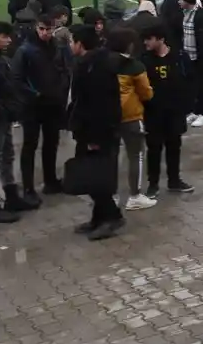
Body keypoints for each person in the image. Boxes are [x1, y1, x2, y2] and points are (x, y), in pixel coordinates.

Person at [67, 24, 126, 239]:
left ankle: (111, 217)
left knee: (97, 175)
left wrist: (94, 137)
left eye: (72, 41)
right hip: (88, 130)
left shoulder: (97, 67)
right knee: (91, 175)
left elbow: (99, 105)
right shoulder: (87, 64)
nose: (70, 45)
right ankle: (99, 217)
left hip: (98, 132)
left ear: (80, 44)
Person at [11, 13, 72, 202]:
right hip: (32, 106)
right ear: (36, 28)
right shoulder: (25, 50)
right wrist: (35, 94)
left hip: (53, 103)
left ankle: (50, 180)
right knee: (30, 144)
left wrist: (61, 90)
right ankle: (28, 188)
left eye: (49, 29)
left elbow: (65, 70)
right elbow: (17, 79)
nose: (45, 33)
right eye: (42, 29)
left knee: (51, 142)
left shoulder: (58, 47)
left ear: (54, 28)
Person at [0, 21, 36, 223]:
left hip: (3, 116)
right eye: (4, 36)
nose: (9, 40)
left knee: (7, 155)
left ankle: (11, 195)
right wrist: (4, 109)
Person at [137, 25, 194, 196]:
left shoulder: (179, 57)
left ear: (160, 39)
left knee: (174, 146)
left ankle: (174, 180)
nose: (146, 42)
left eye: (149, 39)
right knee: (154, 149)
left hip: (175, 112)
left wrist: (187, 105)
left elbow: (191, 81)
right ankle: (153, 184)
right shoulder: (143, 60)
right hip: (153, 113)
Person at [107, 27, 155, 211]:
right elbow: (146, 93)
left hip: (108, 117)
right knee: (136, 156)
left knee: (111, 157)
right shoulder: (134, 66)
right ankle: (135, 196)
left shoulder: (101, 62)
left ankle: (110, 195)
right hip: (131, 116)